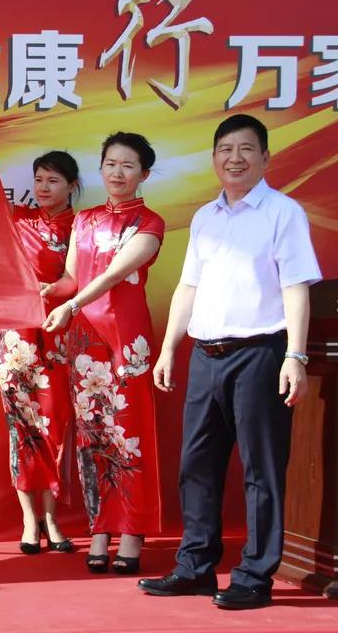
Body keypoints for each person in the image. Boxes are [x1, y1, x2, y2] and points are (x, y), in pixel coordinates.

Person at [139, 114, 321, 609]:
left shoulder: (283, 213)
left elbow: (295, 286)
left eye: (245, 149)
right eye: (225, 149)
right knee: (196, 464)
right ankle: (195, 566)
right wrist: (169, 348)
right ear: (214, 158)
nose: (234, 158)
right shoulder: (205, 217)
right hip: (206, 354)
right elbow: (188, 286)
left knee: (261, 469)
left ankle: (255, 576)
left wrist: (295, 355)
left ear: (265, 157)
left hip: (260, 354)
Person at [43, 132, 164, 575]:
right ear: (100, 169)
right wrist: (44, 291)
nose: (117, 172)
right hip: (85, 343)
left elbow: (114, 275)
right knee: (92, 435)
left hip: (126, 341)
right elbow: (71, 280)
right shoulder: (86, 220)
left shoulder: (150, 223)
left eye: (128, 166)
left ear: (143, 174)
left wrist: (71, 305)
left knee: (129, 434)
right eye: (111, 164)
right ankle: (99, 529)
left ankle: (132, 531)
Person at [0, 151, 79, 555]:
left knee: (55, 427)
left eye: (53, 180)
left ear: (72, 186)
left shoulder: (83, 226)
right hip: (16, 339)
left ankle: (52, 517)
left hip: (60, 336)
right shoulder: (17, 219)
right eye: (39, 179)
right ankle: (30, 520)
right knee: (22, 430)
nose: (44, 188)